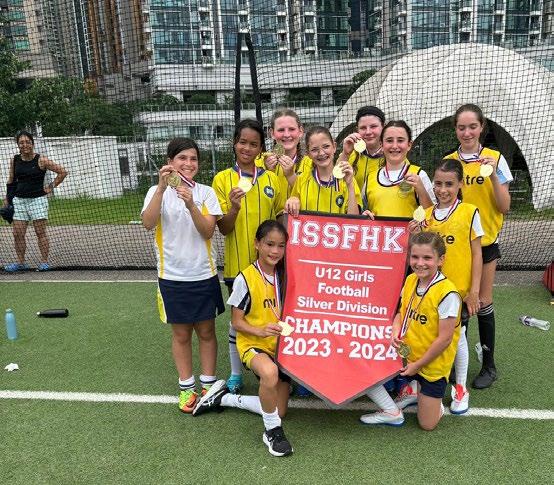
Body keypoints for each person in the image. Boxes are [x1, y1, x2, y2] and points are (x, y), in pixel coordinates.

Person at [193, 220, 293, 457]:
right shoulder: (245, 279)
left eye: (281, 246)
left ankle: (225, 398)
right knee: (269, 373)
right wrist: (260, 331)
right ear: (257, 244)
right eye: (269, 244)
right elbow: (236, 323)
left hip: (281, 346)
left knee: (279, 409)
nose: (275, 251)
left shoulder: (287, 275)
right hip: (254, 343)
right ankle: (272, 432)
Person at [141, 137, 225, 413]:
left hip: (204, 274)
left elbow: (207, 232)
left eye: (193, 159)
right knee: (181, 334)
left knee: (207, 331)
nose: (188, 163)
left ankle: (208, 386)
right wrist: (161, 188)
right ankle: (187, 388)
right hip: (172, 277)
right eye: (182, 158)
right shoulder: (155, 191)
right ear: (170, 162)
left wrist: (191, 204)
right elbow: (147, 223)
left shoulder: (206, 193)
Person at [400, 159, 483, 414]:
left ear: (460, 185)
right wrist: (413, 232)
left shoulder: (470, 212)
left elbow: (477, 253)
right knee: (423, 332)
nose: (443, 189)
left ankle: (460, 387)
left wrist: (474, 291)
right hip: (429, 290)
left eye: (449, 184)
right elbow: (419, 249)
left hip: (456, 291)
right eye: (438, 184)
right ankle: (418, 384)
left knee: (458, 338)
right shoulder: (425, 214)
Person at [360, 232, 461, 430]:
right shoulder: (410, 280)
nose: (420, 263)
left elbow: (445, 339)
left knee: (427, 425)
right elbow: (401, 312)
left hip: (430, 365)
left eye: (427, 258)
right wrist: (395, 330)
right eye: (415, 257)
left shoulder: (447, 293)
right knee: (361, 357)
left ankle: (426, 397)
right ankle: (392, 410)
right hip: (406, 354)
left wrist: (417, 365)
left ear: (441, 260)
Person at [212, 119, 285, 394]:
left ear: (261, 149)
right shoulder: (222, 179)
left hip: (270, 266)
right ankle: (235, 373)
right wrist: (233, 207)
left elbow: (281, 221)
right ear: (234, 143)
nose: (247, 148)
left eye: (253, 144)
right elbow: (223, 228)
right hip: (237, 265)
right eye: (242, 142)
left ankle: (275, 366)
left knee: (272, 313)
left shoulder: (272, 179)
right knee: (237, 321)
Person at [444, 103, 512, 389]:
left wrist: (493, 174)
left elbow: (504, 206)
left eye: (473, 126)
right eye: (461, 127)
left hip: (484, 244)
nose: (467, 132)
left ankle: (489, 366)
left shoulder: (495, 159)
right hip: (455, 245)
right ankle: (451, 362)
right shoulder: (449, 161)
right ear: (455, 130)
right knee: (457, 302)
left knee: (482, 302)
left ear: (481, 127)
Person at [3, 130, 67, 272]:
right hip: (19, 201)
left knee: (40, 233)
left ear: (32, 143)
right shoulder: (14, 160)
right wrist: (7, 199)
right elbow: (11, 181)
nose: (24, 145)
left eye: (27, 142)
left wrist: (50, 187)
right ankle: (21, 263)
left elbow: (62, 172)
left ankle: (44, 262)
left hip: (37, 201)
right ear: (18, 145)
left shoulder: (41, 160)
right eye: (21, 142)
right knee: (17, 234)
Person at [363, 120, 435, 219]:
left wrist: (421, 190)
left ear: (409, 145)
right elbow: (360, 214)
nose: (395, 146)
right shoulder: (370, 178)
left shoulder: (419, 175)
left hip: (411, 230)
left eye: (400, 140)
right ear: (381, 145)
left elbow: (433, 217)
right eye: (389, 140)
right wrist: (364, 216)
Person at [285, 126, 361, 216]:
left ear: (334, 147)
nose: (321, 153)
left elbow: (354, 219)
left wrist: (350, 185)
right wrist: (292, 200)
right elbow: (292, 212)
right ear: (308, 154)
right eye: (314, 150)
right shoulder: (301, 180)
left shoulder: (348, 180)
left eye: (326, 146)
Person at [261, 108, 311, 198]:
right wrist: (267, 173)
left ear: (300, 131)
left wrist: (291, 176)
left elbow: (312, 198)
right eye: (281, 130)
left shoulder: (311, 164)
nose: (287, 135)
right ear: (272, 133)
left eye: (291, 129)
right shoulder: (260, 160)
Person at [338, 106, 385, 191]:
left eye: (373, 126)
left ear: (383, 127)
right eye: (363, 128)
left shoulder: (394, 156)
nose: (368, 132)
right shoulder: (350, 154)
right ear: (357, 130)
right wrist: (345, 153)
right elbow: (336, 181)